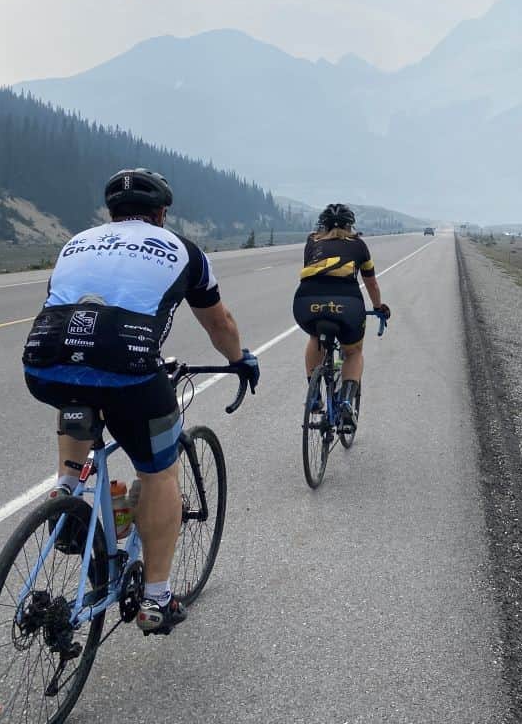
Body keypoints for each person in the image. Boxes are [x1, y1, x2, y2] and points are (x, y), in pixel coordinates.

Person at [21, 168, 259, 635]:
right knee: (158, 472)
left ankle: (66, 493)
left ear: (111, 214)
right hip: (128, 368)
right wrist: (240, 360)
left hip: (44, 361)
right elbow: (220, 323)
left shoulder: (77, 242)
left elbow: (63, 306)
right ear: (162, 214)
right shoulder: (184, 251)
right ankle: (156, 599)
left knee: (78, 387)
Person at [292, 204, 390, 428]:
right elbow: (371, 282)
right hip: (347, 304)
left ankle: (314, 395)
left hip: (306, 303)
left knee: (315, 338)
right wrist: (379, 306)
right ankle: (346, 401)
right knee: (353, 352)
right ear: (350, 225)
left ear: (322, 225)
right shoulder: (358, 245)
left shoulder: (311, 242)